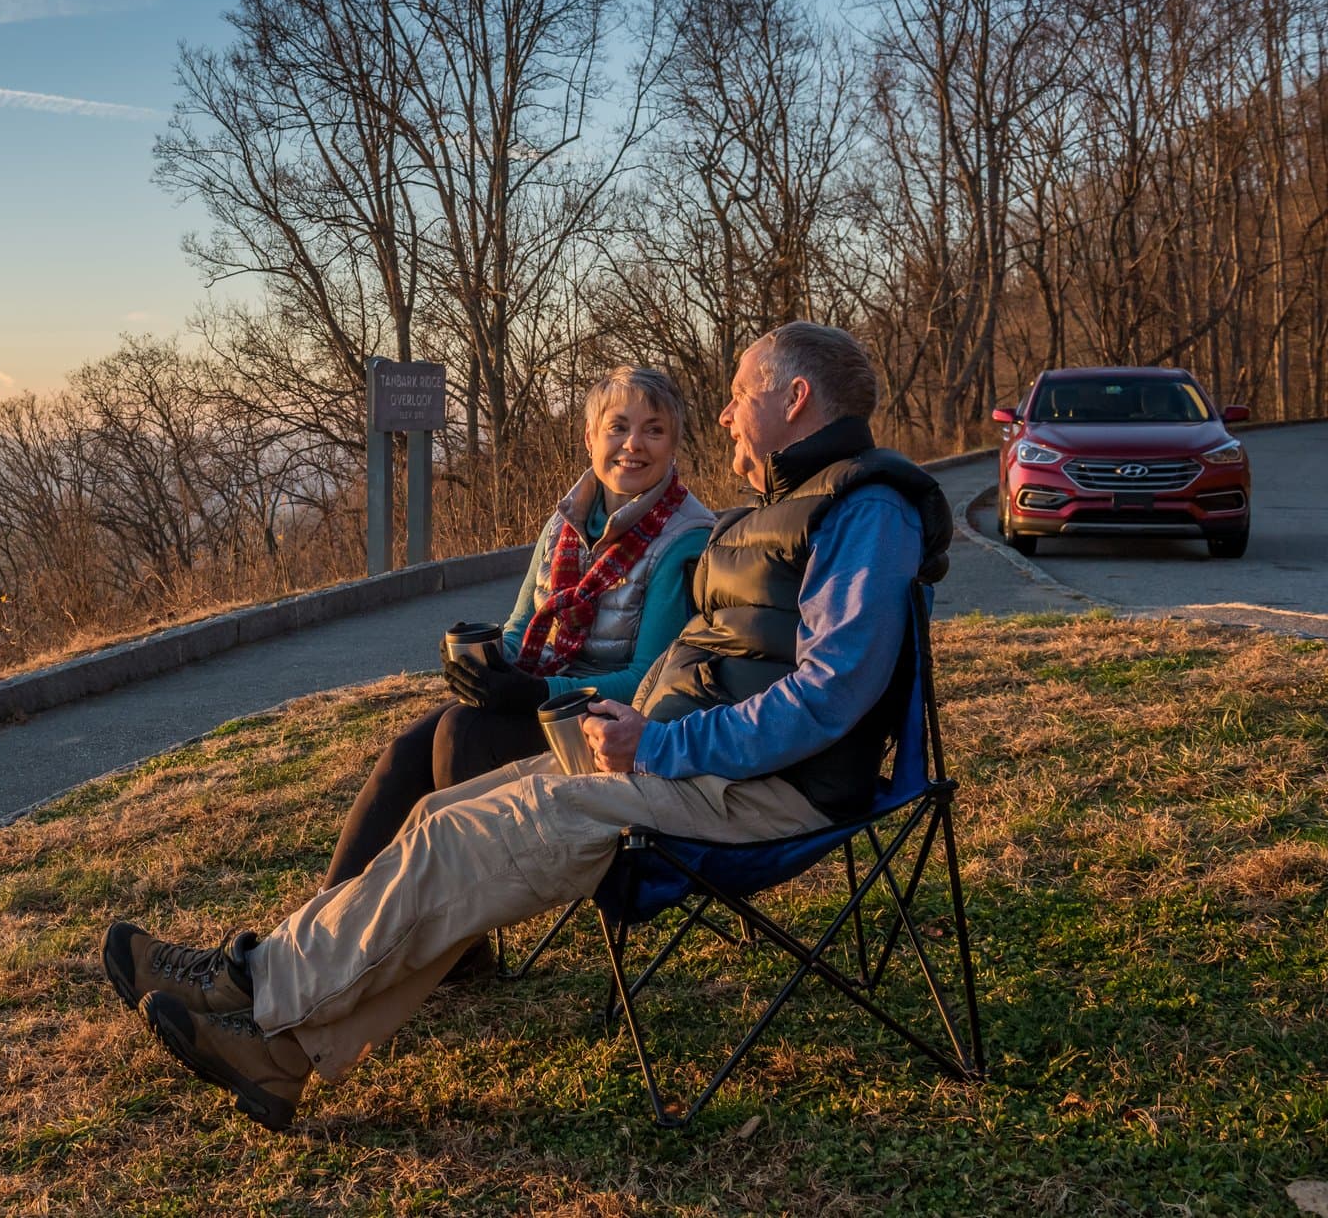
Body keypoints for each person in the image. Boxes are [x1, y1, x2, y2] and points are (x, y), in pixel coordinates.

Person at [100, 322, 952, 1131]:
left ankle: (249, 984)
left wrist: (657, 741)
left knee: (488, 835)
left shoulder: (867, 511)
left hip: (766, 791)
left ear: (795, 398)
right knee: (444, 813)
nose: (725, 413)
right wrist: (631, 717)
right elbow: (706, 653)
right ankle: (278, 1049)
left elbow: (828, 697)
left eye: (737, 394)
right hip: (690, 765)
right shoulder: (788, 503)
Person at [324, 366, 715, 898]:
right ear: (589, 437)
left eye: (654, 430)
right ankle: (321, 924)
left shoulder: (686, 539)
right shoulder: (565, 523)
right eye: (617, 427)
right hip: (545, 693)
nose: (633, 445)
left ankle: (452, 934)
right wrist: (480, 662)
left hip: (609, 732)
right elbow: (518, 630)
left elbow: (649, 683)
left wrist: (534, 693)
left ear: (673, 444)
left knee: (463, 733)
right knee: (406, 751)